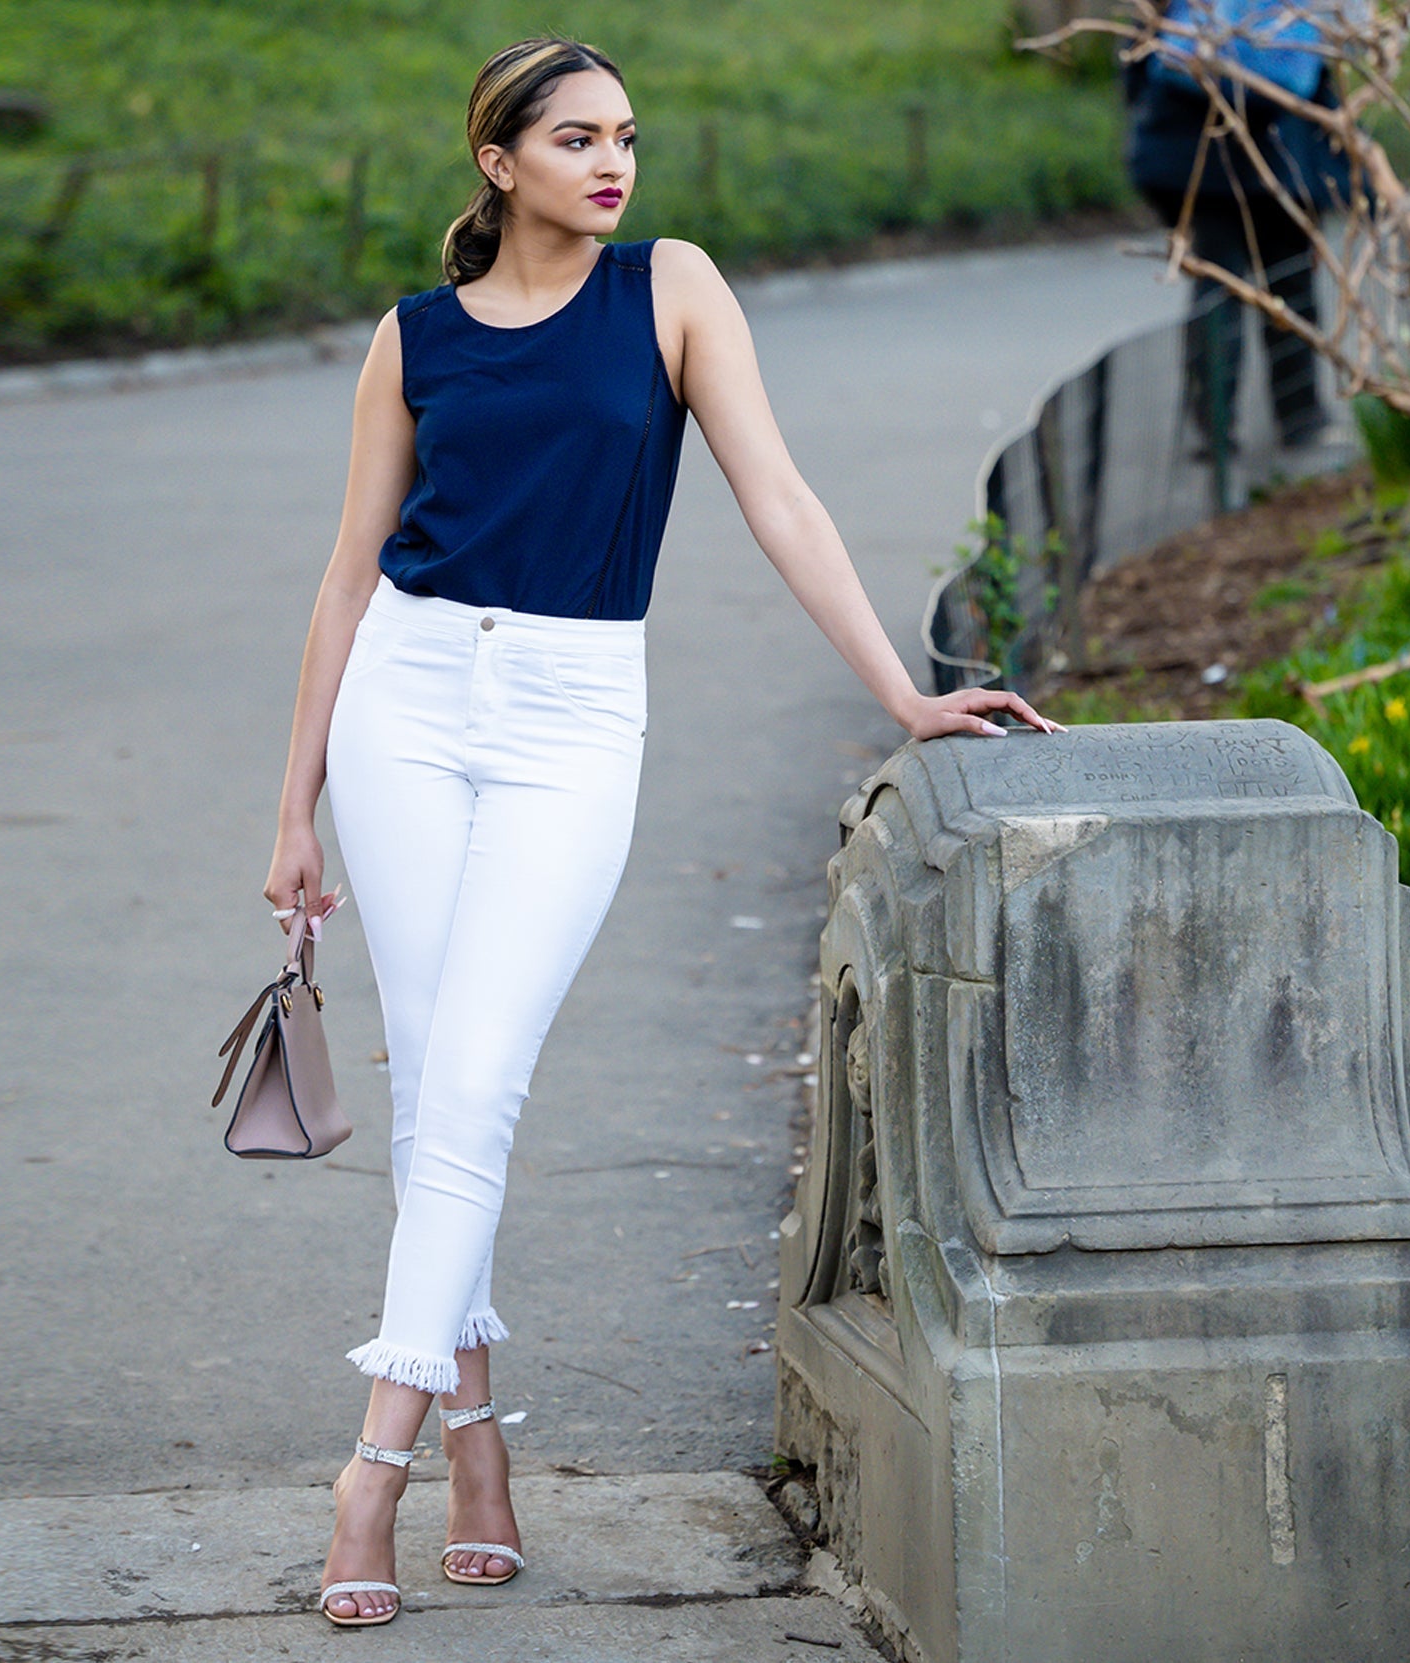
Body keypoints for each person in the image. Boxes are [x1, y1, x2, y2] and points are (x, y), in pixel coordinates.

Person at [260, 35, 1061, 1630]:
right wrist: (294, 805)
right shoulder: (413, 338)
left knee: (477, 1077)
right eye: (573, 140)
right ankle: (475, 1446)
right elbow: (349, 577)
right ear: (497, 165)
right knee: (438, 1098)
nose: (611, 163)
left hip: (570, 710)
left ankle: (374, 1465)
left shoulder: (669, 289)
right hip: (406, 702)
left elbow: (777, 496)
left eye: (623, 135)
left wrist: (904, 694)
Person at [1125, 0, 1348, 456]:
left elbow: (1138, 67)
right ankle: (1300, 418)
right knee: (1289, 288)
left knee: (1219, 288)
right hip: (1282, 156)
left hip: (1196, 159)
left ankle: (1216, 427)